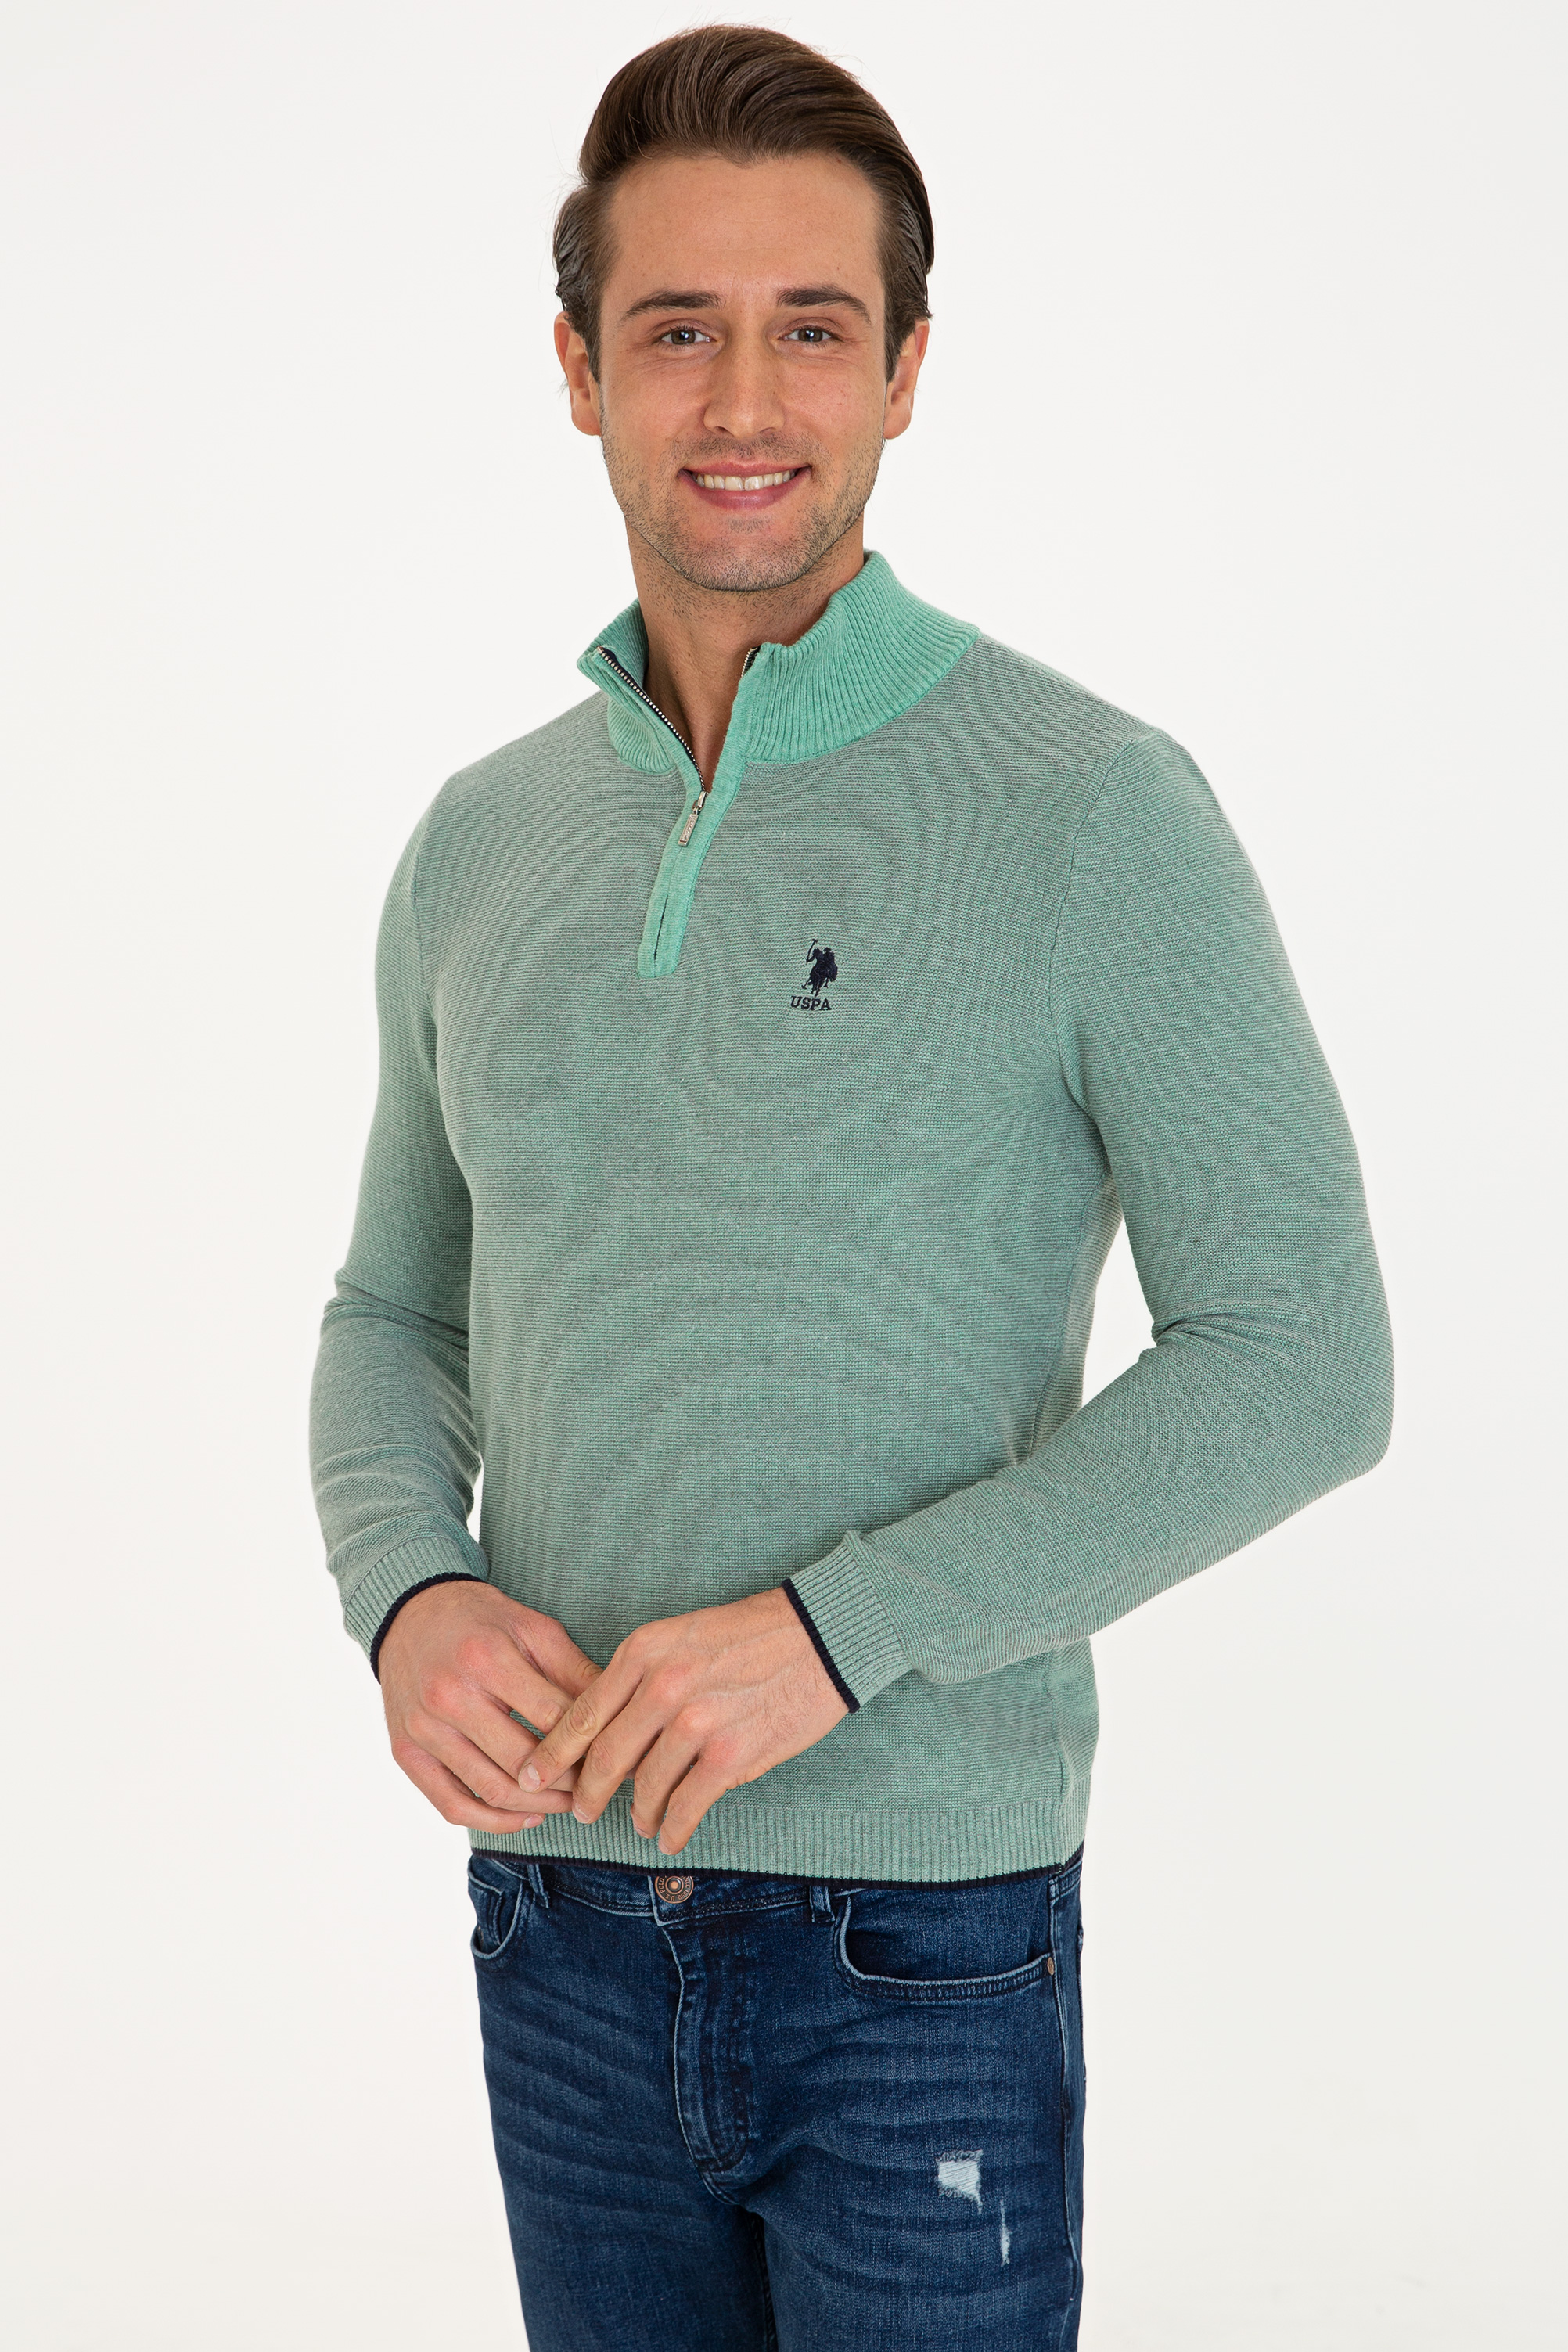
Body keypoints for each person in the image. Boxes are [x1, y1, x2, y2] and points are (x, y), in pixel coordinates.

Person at [307, 24, 1393, 2348]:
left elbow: (1303, 1358)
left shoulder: (1092, 809)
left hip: (922, 1943)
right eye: (675, 329)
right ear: (580, 372)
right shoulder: (480, 845)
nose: (743, 401)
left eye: (812, 328)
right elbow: (393, 1313)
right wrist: (405, 1596)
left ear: (905, 370)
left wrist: (833, 1631)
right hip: (554, 1911)